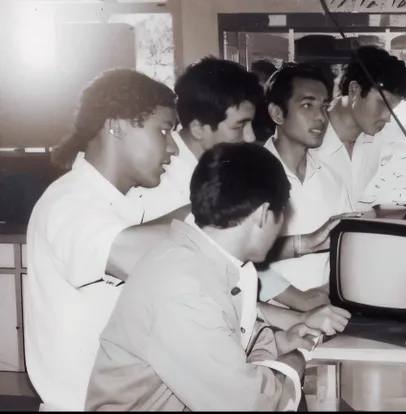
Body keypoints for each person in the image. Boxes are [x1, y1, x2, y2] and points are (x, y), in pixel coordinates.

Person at [86, 142, 316, 411]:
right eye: (282, 216)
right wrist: (294, 363)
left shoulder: (212, 262)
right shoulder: (186, 288)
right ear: (263, 214)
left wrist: (280, 343)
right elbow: (248, 405)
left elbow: (230, 346)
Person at [129, 57, 347, 328]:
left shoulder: (219, 171)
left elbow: (238, 252)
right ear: (198, 128)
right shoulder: (160, 184)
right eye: (239, 126)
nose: (249, 137)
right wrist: (298, 305)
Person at [24, 69, 185, 411]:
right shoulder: (69, 202)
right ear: (118, 125)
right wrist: (219, 205)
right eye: (163, 130)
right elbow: (131, 256)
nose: (173, 148)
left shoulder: (128, 204)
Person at [263, 62, 358, 292]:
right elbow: (236, 255)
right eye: (307, 105)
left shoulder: (333, 180)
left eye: (324, 107)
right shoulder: (248, 176)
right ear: (277, 113)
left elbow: (347, 255)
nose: (321, 117)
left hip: (328, 314)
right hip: (268, 320)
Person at [316, 45, 406, 210]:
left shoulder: (382, 141)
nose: (387, 117)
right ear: (355, 90)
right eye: (382, 103)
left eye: (393, 109)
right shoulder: (307, 140)